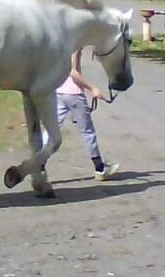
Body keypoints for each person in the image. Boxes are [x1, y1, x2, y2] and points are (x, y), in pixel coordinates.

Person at [49, 47, 120, 181]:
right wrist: (92, 88)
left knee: (51, 128)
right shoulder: (74, 44)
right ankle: (100, 168)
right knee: (88, 132)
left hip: (58, 92)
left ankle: (39, 164)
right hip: (74, 94)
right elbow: (73, 72)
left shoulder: (59, 41)